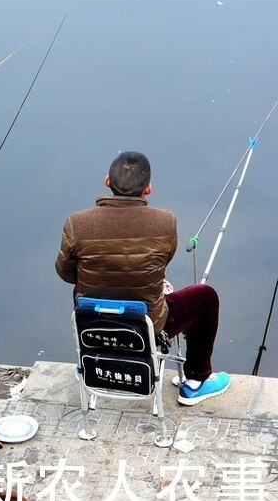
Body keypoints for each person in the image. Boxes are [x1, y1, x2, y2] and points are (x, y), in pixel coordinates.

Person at [56, 150, 231, 405]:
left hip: (93, 322)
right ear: (148, 189)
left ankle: (88, 361)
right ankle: (196, 380)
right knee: (206, 297)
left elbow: (65, 272)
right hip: (147, 323)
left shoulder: (76, 223)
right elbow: (163, 261)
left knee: (85, 289)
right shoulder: (165, 221)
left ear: (107, 181)